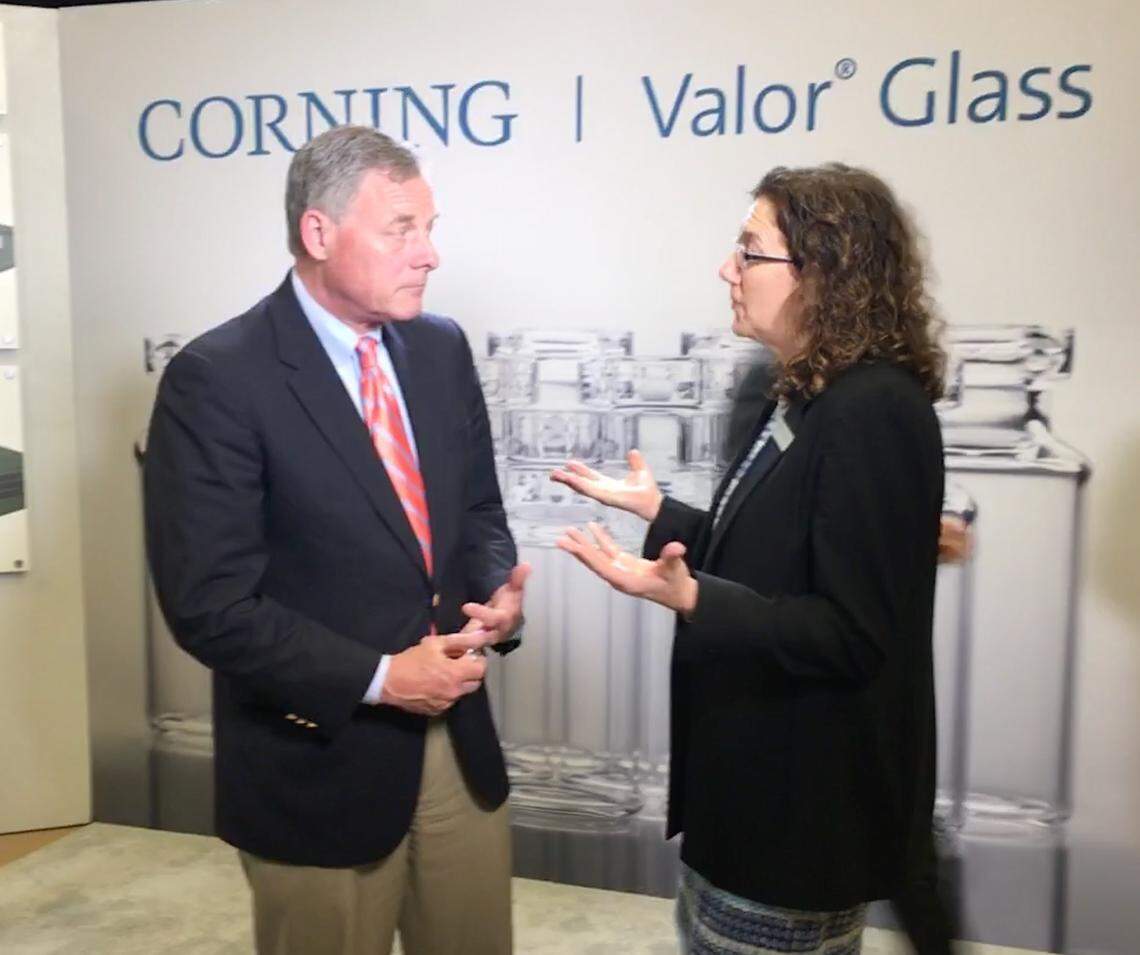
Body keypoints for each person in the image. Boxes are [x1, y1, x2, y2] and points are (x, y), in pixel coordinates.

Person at [144, 125, 527, 955]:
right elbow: (208, 605)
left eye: (431, 228)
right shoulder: (218, 379)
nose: (429, 254)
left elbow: (479, 513)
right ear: (318, 233)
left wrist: (496, 591)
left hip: (456, 754)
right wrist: (386, 678)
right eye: (402, 229)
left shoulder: (439, 348)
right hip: (315, 761)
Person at [552, 163, 947, 954]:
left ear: (823, 270)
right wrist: (659, 513)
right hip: (749, 803)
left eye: (749, 251)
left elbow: (850, 632)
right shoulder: (805, 393)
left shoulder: (874, 412)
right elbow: (777, 560)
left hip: (795, 827)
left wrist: (691, 598)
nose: (726, 270)